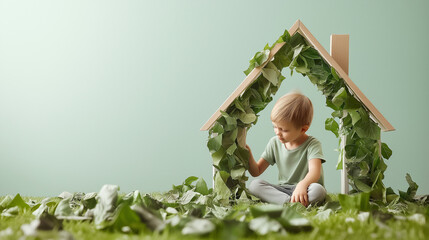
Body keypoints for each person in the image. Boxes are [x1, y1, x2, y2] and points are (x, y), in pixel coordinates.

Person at [246, 91, 327, 207]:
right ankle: (290, 202)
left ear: (303, 129)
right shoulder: (274, 143)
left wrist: (302, 185)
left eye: (284, 130)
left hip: (307, 188)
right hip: (283, 189)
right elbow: (256, 171)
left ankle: (288, 202)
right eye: (275, 127)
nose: (277, 133)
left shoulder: (312, 144)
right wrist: (248, 154)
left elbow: (315, 173)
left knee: (318, 191)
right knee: (254, 186)